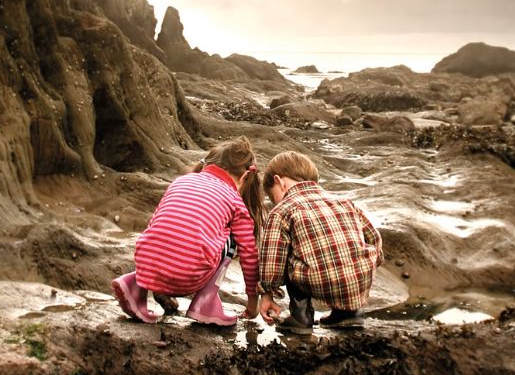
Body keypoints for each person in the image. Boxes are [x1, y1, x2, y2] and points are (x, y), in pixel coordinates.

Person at [111, 136, 264, 326]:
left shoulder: (181, 182)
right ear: (244, 177)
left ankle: (134, 284)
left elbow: (154, 224)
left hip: (147, 267)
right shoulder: (234, 199)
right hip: (188, 279)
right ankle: (205, 304)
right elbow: (249, 254)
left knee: (166, 229)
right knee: (232, 238)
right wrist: (252, 303)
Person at [257, 151, 383, 335]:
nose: (275, 201)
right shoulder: (345, 202)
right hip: (361, 278)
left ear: (279, 181)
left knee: (287, 254)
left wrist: (267, 292)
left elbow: (272, 260)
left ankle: (301, 317)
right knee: (335, 252)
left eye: (272, 196)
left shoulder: (282, 210)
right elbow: (374, 238)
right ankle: (349, 314)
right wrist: (370, 263)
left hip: (317, 280)